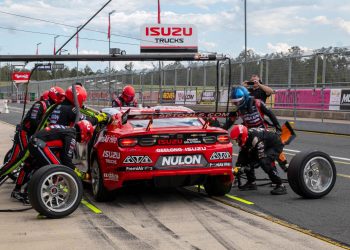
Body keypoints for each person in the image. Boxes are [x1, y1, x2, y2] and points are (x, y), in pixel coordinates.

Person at [11, 120, 94, 204]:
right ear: (84, 131)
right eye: (88, 134)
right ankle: (44, 193)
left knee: (28, 166)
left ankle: (17, 190)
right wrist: (79, 174)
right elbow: (66, 159)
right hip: (39, 145)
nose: (87, 138)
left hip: (34, 142)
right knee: (57, 168)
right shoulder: (71, 135)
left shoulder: (67, 129)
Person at [224, 86, 288, 171]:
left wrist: (278, 128)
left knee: (271, 152)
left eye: (237, 102)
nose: (236, 105)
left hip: (263, 132)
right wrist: (221, 130)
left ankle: (286, 167)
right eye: (234, 103)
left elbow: (270, 114)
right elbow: (230, 122)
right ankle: (249, 179)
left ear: (244, 98)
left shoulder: (258, 103)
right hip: (250, 135)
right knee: (245, 153)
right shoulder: (238, 110)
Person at [3, 87, 65, 173]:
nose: (61, 98)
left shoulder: (53, 107)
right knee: (18, 159)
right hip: (24, 133)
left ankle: (21, 184)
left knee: (29, 160)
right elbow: (34, 121)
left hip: (32, 135)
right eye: (59, 96)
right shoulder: (40, 104)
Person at [230, 125, 287, 195]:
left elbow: (259, 160)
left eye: (237, 139)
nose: (236, 142)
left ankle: (280, 185)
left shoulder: (256, 139)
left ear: (242, 136)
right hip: (264, 144)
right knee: (246, 158)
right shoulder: (245, 140)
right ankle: (251, 183)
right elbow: (241, 158)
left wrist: (247, 168)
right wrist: (237, 169)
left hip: (274, 144)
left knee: (265, 162)